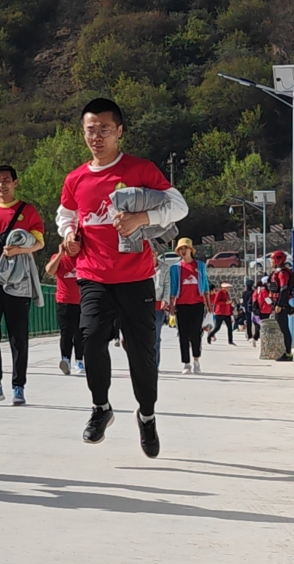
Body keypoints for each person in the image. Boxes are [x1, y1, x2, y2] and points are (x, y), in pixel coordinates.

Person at [57, 98, 188, 458]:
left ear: (119, 132)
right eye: (90, 129)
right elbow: (66, 214)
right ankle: (101, 408)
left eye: (104, 129)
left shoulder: (140, 170)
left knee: (142, 355)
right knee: (92, 338)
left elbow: (178, 206)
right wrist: (68, 235)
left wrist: (142, 219)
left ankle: (146, 416)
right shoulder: (76, 179)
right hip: (93, 275)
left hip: (136, 277)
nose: (96, 136)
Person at [0, 165, 45, 406]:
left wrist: (20, 250)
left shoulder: (27, 210)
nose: (1, 185)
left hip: (18, 282)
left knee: (18, 335)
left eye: (6, 180)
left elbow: (39, 242)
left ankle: (18, 386)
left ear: (15, 183)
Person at [169, 238, 209, 374]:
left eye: (185, 248)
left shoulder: (200, 265)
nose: (183, 250)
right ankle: (186, 363)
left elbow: (205, 285)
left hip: (197, 304)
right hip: (182, 304)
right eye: (180, 249)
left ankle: (196, 360)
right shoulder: (175, 268)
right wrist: (172, 306)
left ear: (191, 250)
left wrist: (209, 305)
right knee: (183, 335)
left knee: (195, 334)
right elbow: (173, 287)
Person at [45, 244, 85, 376]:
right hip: (64, 302)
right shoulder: (58, 258)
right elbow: (49, 270)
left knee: (80, 333)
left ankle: (80, 360)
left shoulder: (84, 257)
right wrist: (60, 254)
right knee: (66, 333)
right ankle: (65, 360)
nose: (72, 248)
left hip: (82, 302)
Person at [269, 251, 294, 361]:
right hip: (277, 303)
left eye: (272, 260)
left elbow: (283, 288)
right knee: (282, 329)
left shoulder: (282, 273)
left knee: (284, 329)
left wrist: (280, 304)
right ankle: (286, 351)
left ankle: (288, 353)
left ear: (278, 260)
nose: (271, 262)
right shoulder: (277, 272)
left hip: (282, 304)